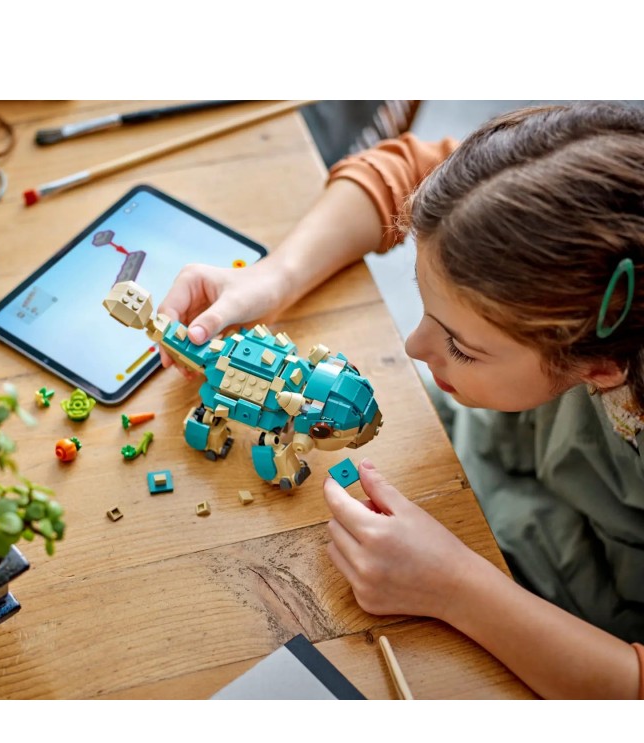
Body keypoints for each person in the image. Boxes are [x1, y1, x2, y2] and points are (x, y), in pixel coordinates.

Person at [157, 102, 644, 699]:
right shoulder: (554, 205)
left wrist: (456, 588)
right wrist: (276, 277)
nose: (413, 346)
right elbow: (403, 170)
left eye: (461, 347)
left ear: (601, 367)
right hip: (485, 475)